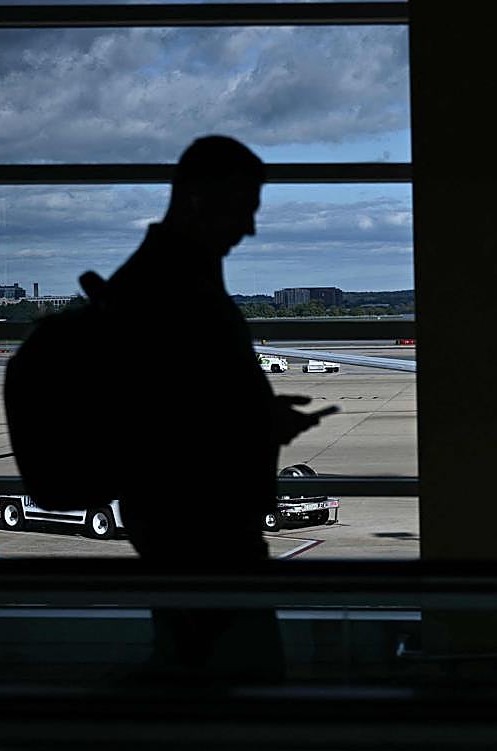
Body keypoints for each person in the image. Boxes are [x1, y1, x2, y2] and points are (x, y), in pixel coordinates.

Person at [102, 135, 336, 682]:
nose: (249, 228)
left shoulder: (167, 278)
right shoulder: (173, 287)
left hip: (189, 520)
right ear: (201, 201)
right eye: (243, 209)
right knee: (236, 671)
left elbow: (179, 407)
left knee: (196, 665)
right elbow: (170, 424)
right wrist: (258, 424)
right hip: (199, 526)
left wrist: (260, 419)